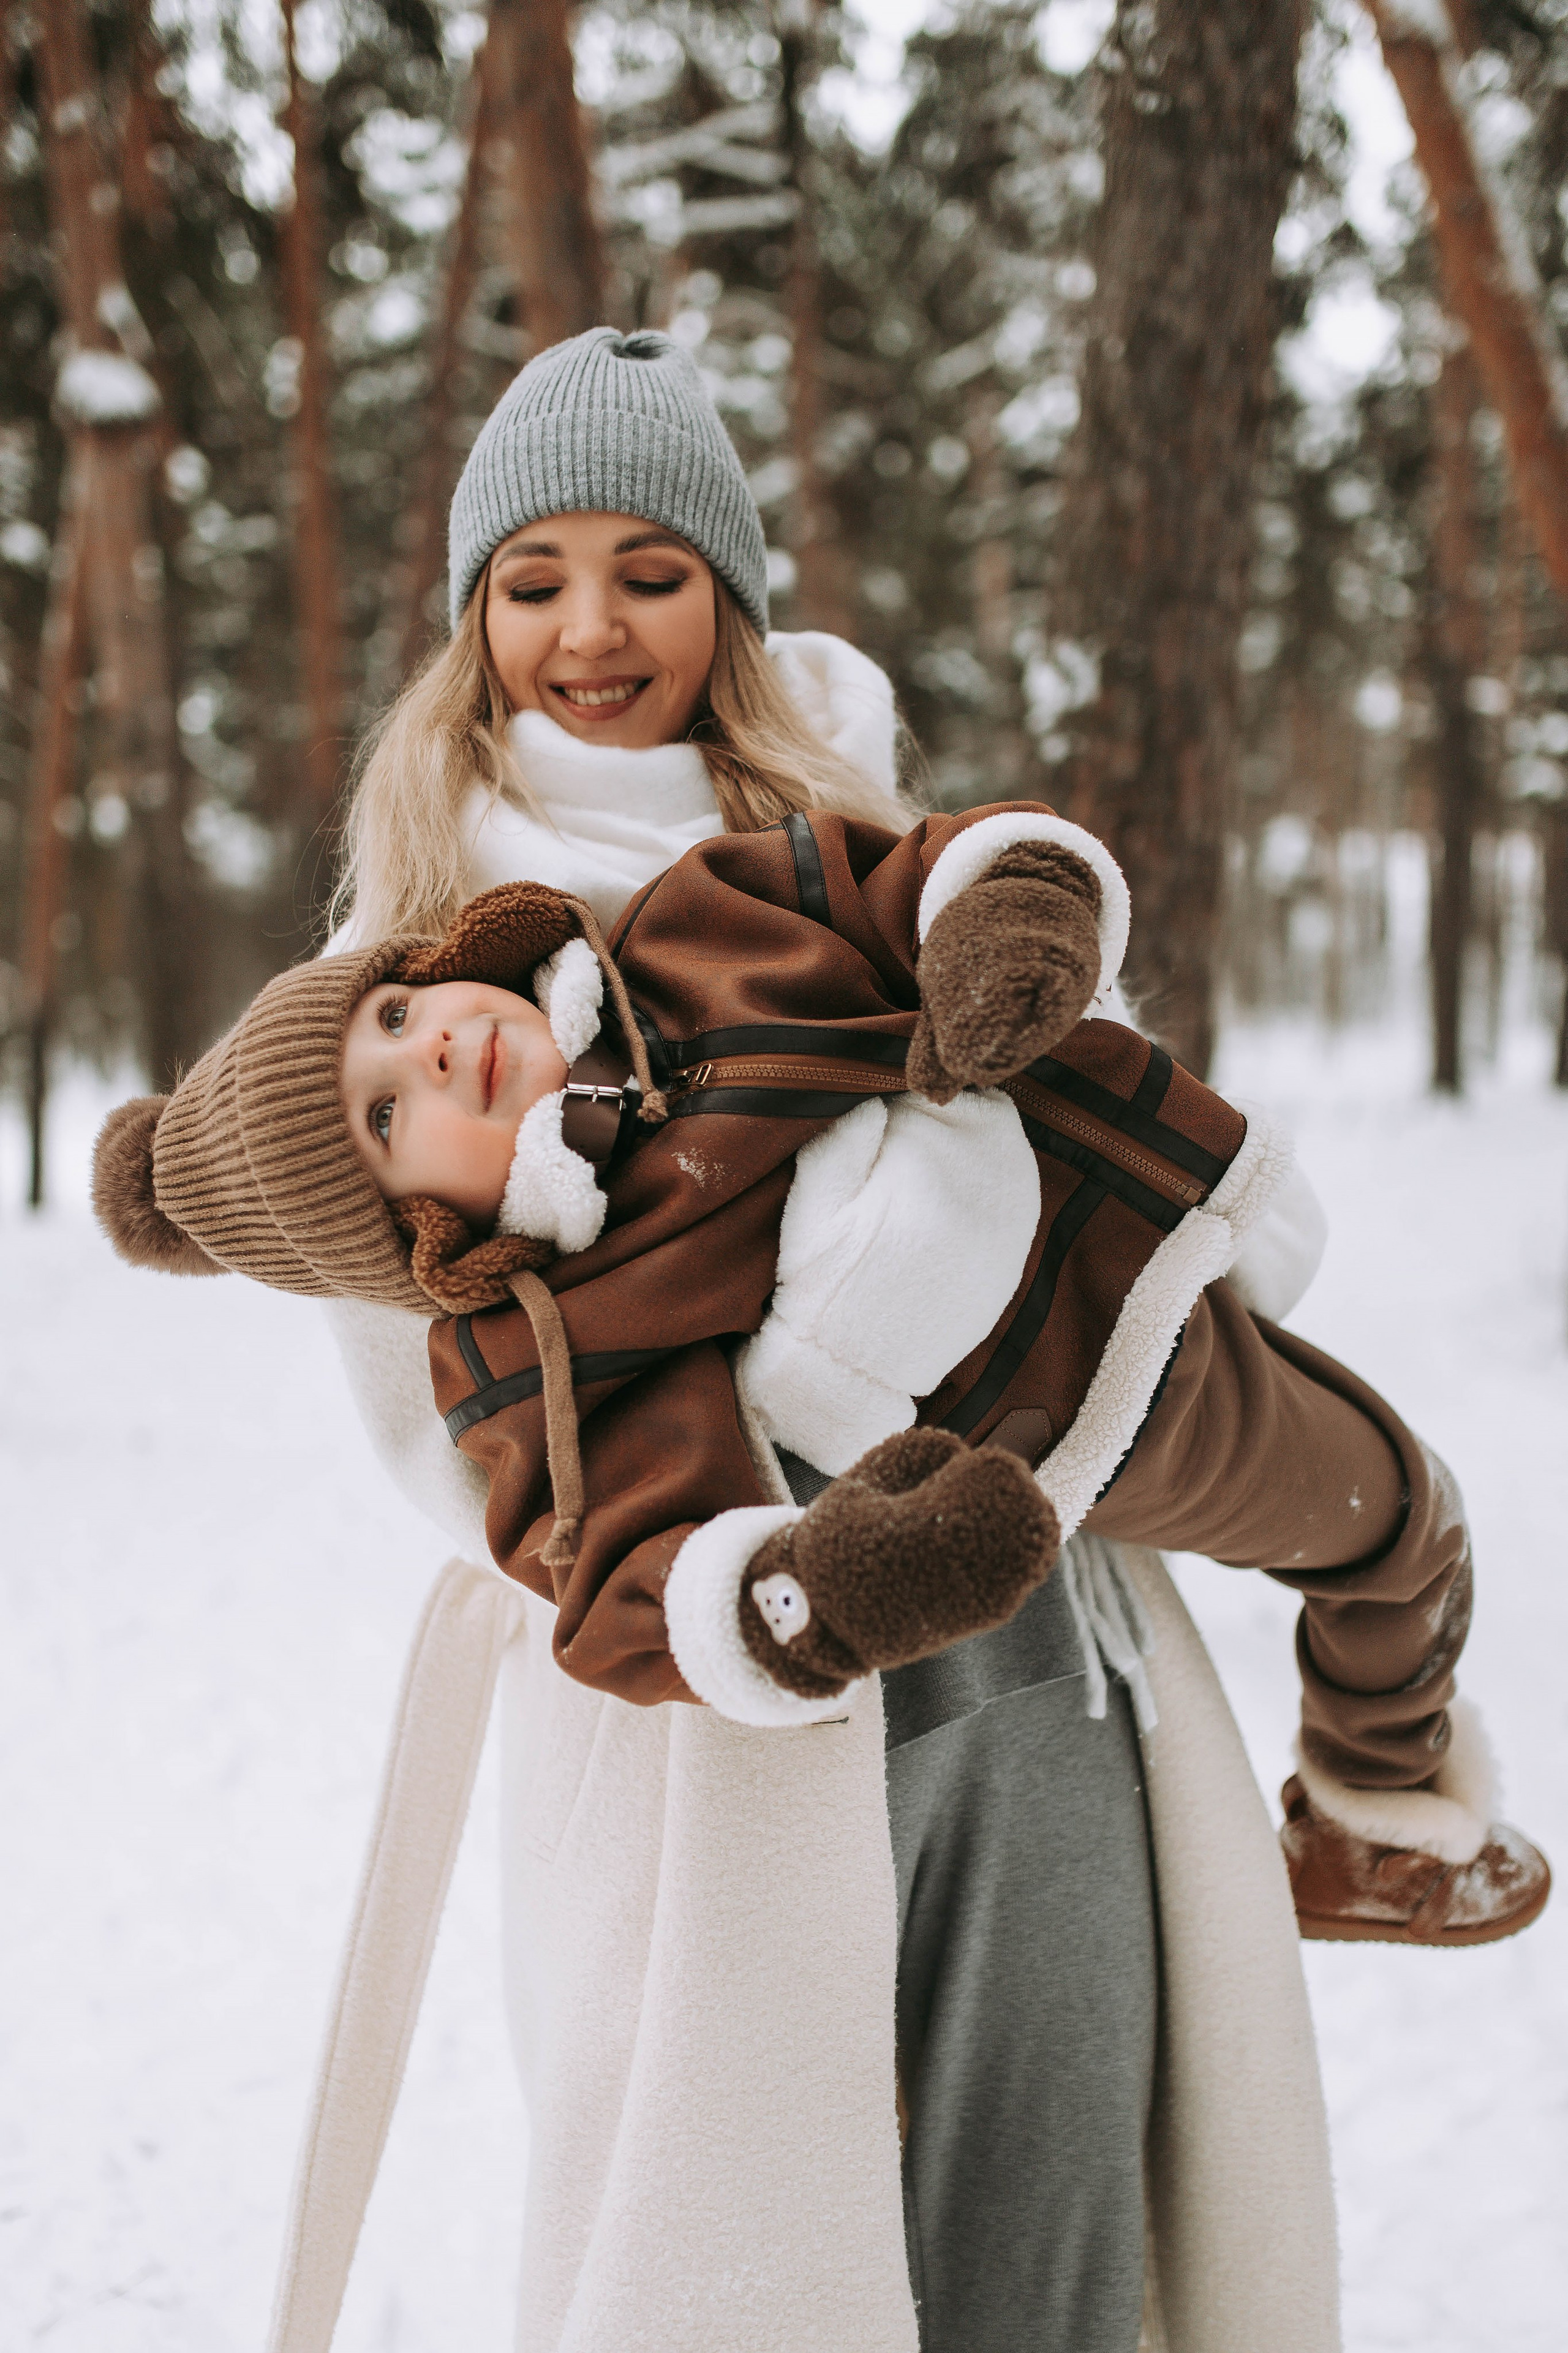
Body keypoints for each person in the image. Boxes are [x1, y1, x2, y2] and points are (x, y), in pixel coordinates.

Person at [94, 322, 1548, 2353]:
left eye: (651, 574)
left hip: (1031, 1583)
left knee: (1048, 2166)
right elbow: (460, 1433)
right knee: (762, 2248)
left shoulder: (804, 843)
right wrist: (755, 1452)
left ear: (734, 600)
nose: (591, 633)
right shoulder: (400, 981)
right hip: (710, 1691)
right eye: (532, 584)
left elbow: (1004, 1030)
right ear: (469, 619)